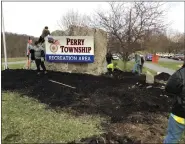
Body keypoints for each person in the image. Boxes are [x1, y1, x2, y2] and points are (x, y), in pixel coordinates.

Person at [164, 64, 185, 143]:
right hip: (179, 113)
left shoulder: (181, 73)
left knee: (172, 138)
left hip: (179, 113)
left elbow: (169, 88)